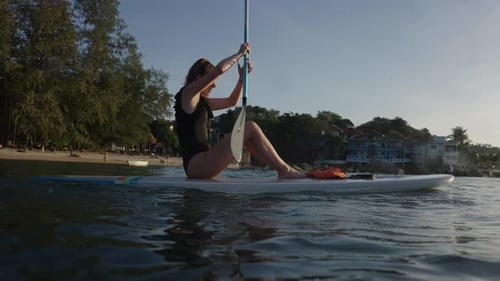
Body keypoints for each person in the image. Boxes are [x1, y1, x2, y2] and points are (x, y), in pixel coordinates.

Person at [174, 42, 305, 179]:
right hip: (199, 164)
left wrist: (241, 80)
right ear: (199, 78)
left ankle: (280, 169)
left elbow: (231, 101)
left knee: (249, 135)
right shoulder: (187, 95)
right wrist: (239, 54)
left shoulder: (201, 102)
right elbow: (218, 71)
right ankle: (286, 171)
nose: (214, 85)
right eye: (210, 80)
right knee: (250, 127)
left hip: (203, 162)